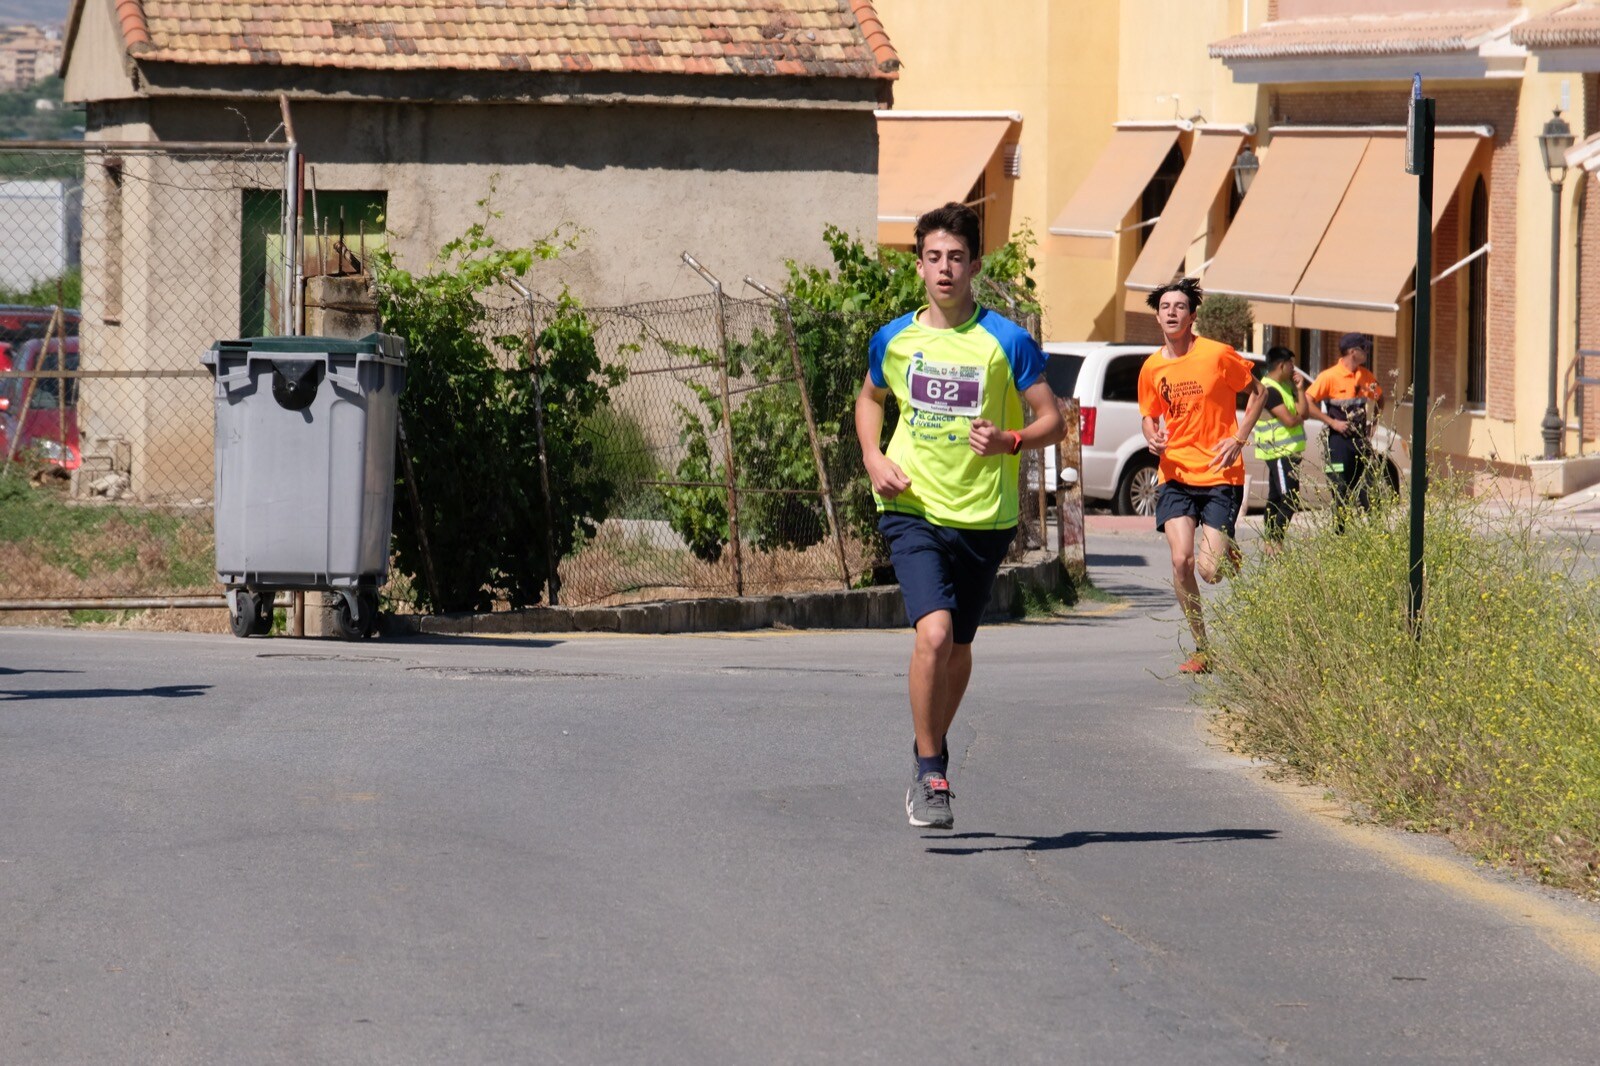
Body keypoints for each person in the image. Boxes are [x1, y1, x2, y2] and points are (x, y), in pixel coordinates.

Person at [855, 201, 1063, 830]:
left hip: (985, 516)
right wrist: (871, 456)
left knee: (961, 646)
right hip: (911, 505)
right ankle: (929, 770)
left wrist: (1012, 441)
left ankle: (931, 746)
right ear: (918, 264)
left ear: (974, 264)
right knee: (934, 635)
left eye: (956, 258)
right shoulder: (894, 338)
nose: (945, 269)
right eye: (933, 257)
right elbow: (870, 399)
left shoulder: (1006, 340)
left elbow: (1053, 418)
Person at [1136, 278, 1269, 674]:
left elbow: (1259, 393)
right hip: (1175, 473)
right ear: (1158, 316)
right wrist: (1151, 436)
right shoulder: (1152, 366)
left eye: (1180, 306)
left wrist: (1239, 437)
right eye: (1165, 307)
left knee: (1209, 572)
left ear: (1192, 315)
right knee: (1181, 561)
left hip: (1219, 474)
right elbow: (1149, 413)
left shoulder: (1217, 355)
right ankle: (1203, 650)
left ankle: (1225, 551)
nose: (1172, 312)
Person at [1304, 332, 1385, 530]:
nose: (1367, 352)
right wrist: (1332, 422)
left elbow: (1380, 399)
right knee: (1339, 489)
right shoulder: (1329, 376)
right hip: (1336, 444)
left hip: (1360, 443)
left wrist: (1373, 423)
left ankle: (1376, 532)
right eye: (1363, 348)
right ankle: (1340, 533)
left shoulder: (1366, 376)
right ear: (1352, 352)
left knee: (1368, 488)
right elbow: (1307, 402)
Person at [1252, 346, 1309, 554]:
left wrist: (1301, 390)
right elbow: (1290, 420)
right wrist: (1297, 418)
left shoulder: (1284, 386)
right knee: (1289, 499)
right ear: (1282, 365)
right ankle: (1274, 542)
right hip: (1279, 452)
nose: (1294, 369)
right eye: (1292, 364)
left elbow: (1304, 412)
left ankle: (1271, 543)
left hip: (1289, 452)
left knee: (1276, 498)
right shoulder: (1270, 389)